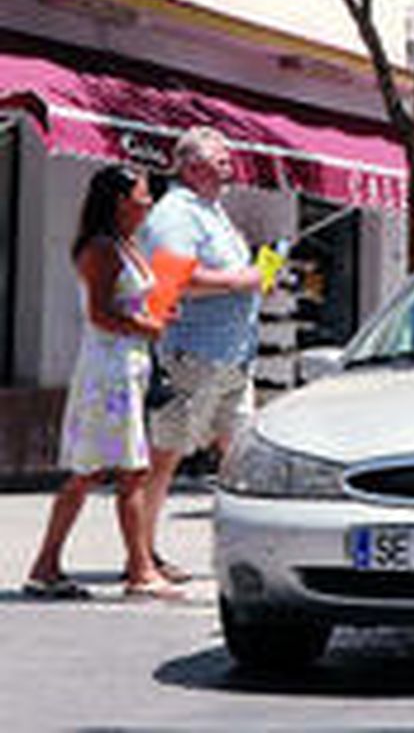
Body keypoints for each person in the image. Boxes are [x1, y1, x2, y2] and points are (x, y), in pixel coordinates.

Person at [23, 165, 181, 601]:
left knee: (89, 473)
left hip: (126, 367)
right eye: (142, 194)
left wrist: (156, 315)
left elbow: (125, 305)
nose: (148, 201)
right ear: (119, 201)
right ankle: (139, 571)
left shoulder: (127, 246)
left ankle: (47, 566)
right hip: (108, 372)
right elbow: (99, 314)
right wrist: (147, 328)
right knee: (129, 472)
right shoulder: (101, 249)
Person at [141, 126, 263, 583]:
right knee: (165, 457)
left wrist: (255, 274)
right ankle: (142, 554)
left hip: (232, 356)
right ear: (191, 167)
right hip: (195, 356)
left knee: (242, 460)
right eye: (220, 158)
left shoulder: (212, 211)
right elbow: (171, 280)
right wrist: (240, 281)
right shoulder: (176, 213)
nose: (230, 163)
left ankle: (247, 556)